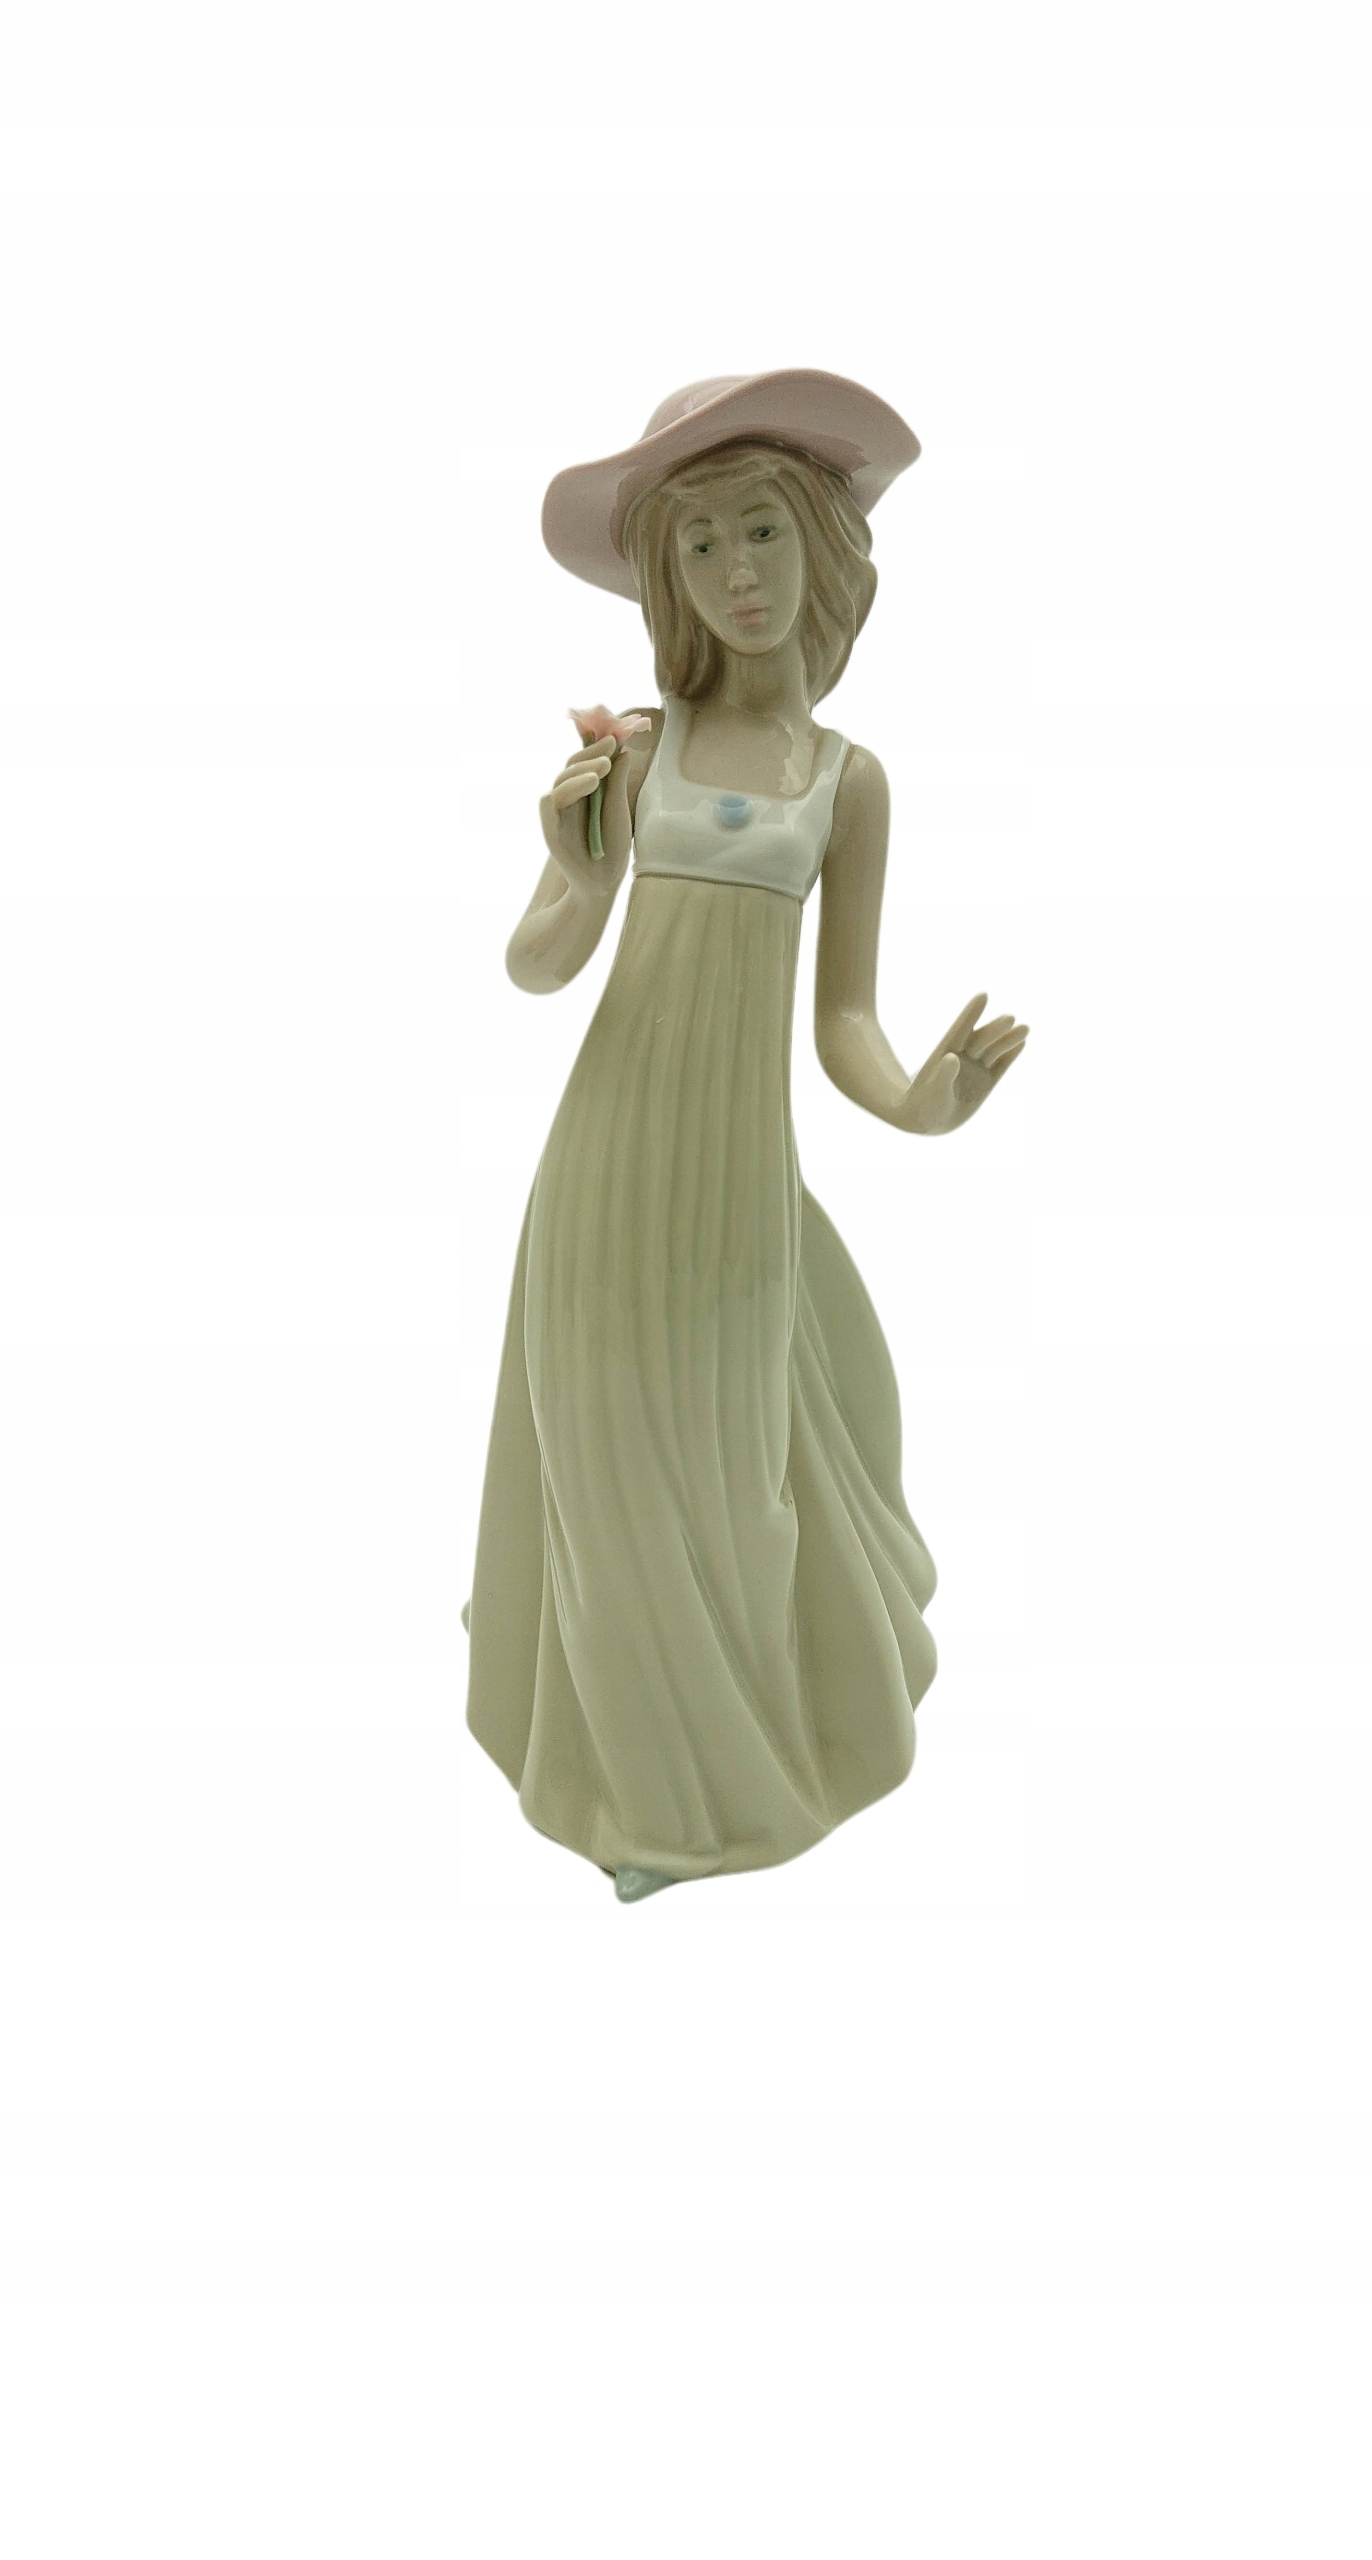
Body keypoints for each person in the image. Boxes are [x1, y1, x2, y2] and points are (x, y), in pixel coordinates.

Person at [461, 370, 1029, 1903]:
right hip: (607, 1164)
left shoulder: (849, 782)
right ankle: (642, 1798)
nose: (738, 575)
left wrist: (922, 1101)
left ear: (820, 547)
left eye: (763, 531)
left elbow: (844, 1020)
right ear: (668, 579)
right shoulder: (640, 750)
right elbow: (533, 965)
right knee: (604, 1465)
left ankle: (739, 1768)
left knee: (730, 1480)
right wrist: (581, 873)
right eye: (700, 546)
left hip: (736, 1185)